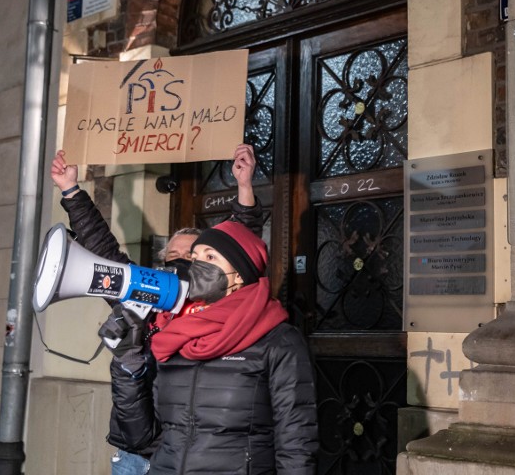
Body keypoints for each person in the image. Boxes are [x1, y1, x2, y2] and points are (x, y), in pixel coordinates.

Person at [50, 143, 265, 475]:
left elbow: (242, 248)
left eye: (190, 256)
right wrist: (71, 190)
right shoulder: (145, 299)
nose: (178, 264)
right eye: (171, 259)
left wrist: (245, 186)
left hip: (192, 457)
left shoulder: (222, 306)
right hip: (136, 456)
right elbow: (102, 249)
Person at [100, 220, 319, 474]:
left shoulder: (278, 341)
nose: (197, 265)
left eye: (210, 256)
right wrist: (128, 364)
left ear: (239, 274)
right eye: (195, 257)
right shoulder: (173, 334)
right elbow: (140, 437)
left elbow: (296, 442)